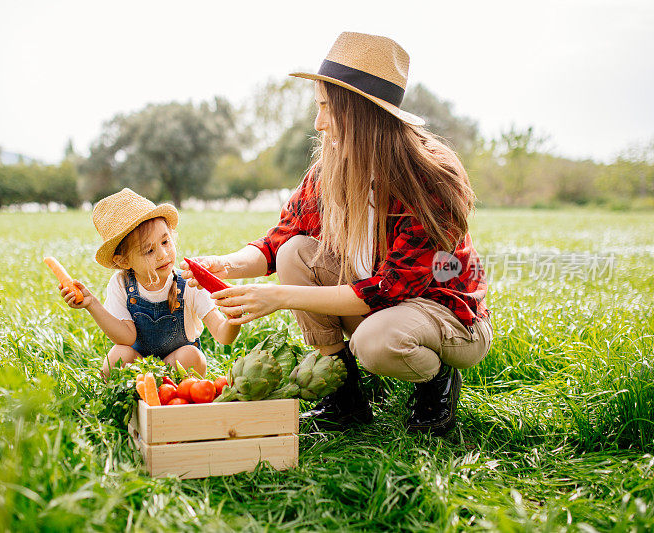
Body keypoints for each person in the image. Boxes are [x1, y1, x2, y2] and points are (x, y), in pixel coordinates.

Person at [182, 32, 492, 436]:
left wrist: (277, 297)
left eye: (327, 108)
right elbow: (278, 243)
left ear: (360, 113)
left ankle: (436, 383)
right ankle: (345, 396)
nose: (318, 123)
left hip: (447, 314)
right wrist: (223, 264)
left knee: (375, 342)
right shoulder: (332, 170)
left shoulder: (429, 180)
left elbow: (384, 289)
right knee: (296, 253)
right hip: (378, 306)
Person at [60, 188, 241, 381]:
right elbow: (126, 338)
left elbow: (223, 336)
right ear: (123, 262)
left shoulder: (189, 282)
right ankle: (138, 397)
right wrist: (92, 304)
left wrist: (233, 318)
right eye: (149, 251)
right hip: (139, 372)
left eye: (165, 242)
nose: (163, 254)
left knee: (192, 356)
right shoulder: (121, 284)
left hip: (177, 370)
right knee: (116, 357)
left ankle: (172, 396)